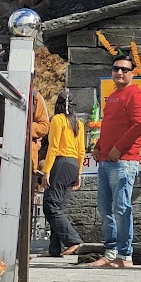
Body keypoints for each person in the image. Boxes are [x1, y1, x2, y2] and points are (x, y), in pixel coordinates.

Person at [89, 51, 141, 267]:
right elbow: (108, 125)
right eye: (116, 69)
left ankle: (125, 255)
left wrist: (118, 148)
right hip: (106, 159)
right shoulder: (113, 96)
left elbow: (140, 125)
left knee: (121, 207)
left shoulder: (136, 94)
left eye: (125, 69)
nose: (119, 72)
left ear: (132, 73)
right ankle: (110, 252)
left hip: (124, 160)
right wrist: (98, 146)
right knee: (105, 208)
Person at [41, 93, 86, 258]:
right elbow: (82, 151)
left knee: (50, 205)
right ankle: (54, 249)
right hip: (73, 165)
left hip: (60, 163)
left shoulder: (57, 120)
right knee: (57, 206)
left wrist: (46, 171)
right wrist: (79, 173)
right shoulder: (79, 123)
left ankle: (73, 240)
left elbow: (53, 147)